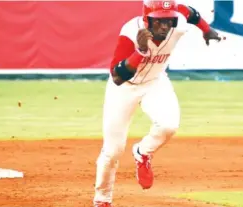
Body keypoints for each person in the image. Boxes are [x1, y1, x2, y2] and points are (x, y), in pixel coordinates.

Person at [93, 0, 221, 206]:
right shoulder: (130, 32)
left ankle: (143, 152)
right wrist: (140, 52)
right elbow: (117, 77)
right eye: (159, 21)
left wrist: (207, 30)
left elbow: (190, 13)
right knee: (113, 150)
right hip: (124, 88)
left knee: (169, 125)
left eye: (168, 20)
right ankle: (102, 199)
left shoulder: (177, 22)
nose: (165, 25)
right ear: (147, 19)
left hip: (155, 81)